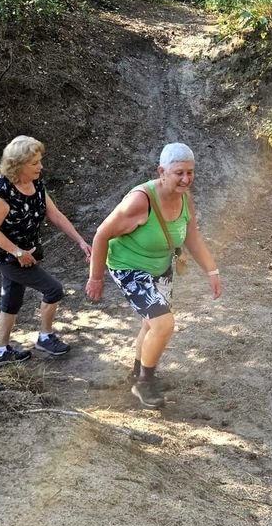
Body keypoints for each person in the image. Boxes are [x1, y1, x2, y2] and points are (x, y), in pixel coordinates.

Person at [85, 142, 221, 408]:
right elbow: (102, 234)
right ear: (162, 171)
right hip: (129, 267)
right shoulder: (139, 200)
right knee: (163, 324)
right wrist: (96, 278)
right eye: (179, 172)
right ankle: (144, 383)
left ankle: (139, 373)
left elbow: (191, 236)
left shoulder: (185, 198)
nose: (186, 179)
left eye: (190, 172)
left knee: (151, 323)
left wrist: (211, 270)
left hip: (160, 266)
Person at [0, 135, 91, 366]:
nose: (40, 166)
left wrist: (80, 241)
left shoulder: (36, 184)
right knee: (54, 290)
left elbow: (56, 215)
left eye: (40, 161)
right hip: (4, 255)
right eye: (34, 163)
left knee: (12, 298)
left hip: (26, 253)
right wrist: (18, 253)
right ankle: (45, 337)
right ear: (17, 165)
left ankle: (1, 352)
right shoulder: (2, 190)